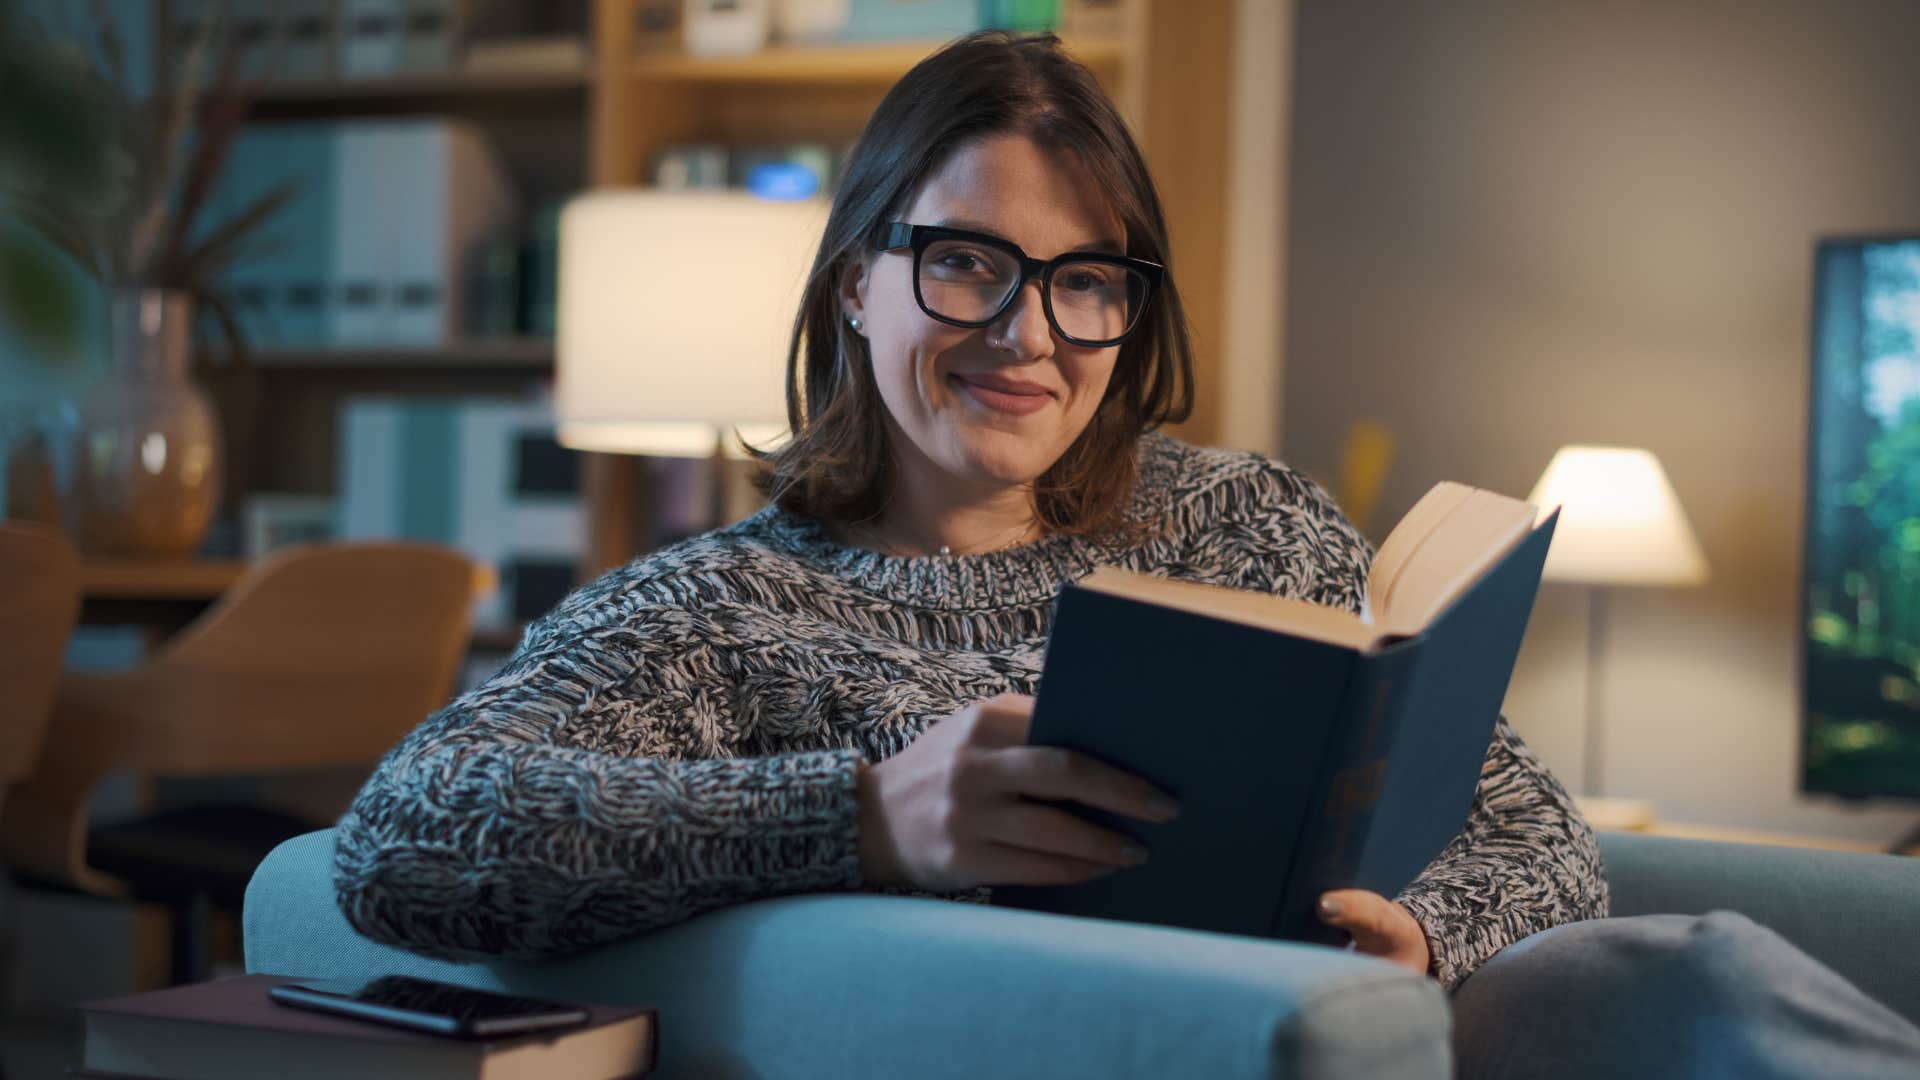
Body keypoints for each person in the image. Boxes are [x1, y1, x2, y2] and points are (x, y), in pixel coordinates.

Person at [333, 31, 1920, 1076]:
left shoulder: (1246, 522)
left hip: (1394, 1042)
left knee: (1695, 978)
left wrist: (1424, 933)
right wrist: (863, 819)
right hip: (1120, 1048)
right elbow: (404, 836)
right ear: (856, 285)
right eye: (968, 263)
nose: (1030, 333)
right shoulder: (722, 607)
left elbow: (1541, 837)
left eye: (1088, 281)